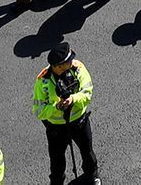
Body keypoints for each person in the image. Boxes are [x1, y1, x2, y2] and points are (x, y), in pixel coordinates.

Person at [31, 42, 98, 185]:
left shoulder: (78, 68)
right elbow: (39, 111)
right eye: (68, 61)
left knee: (87, 152)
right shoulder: (42, 81)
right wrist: (56, 107)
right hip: (56, 129)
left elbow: (87, 92)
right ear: (58, 66)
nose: (72, 62)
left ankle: (92, 174)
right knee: (56, 161)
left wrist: (73, 99)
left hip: (79, 122)